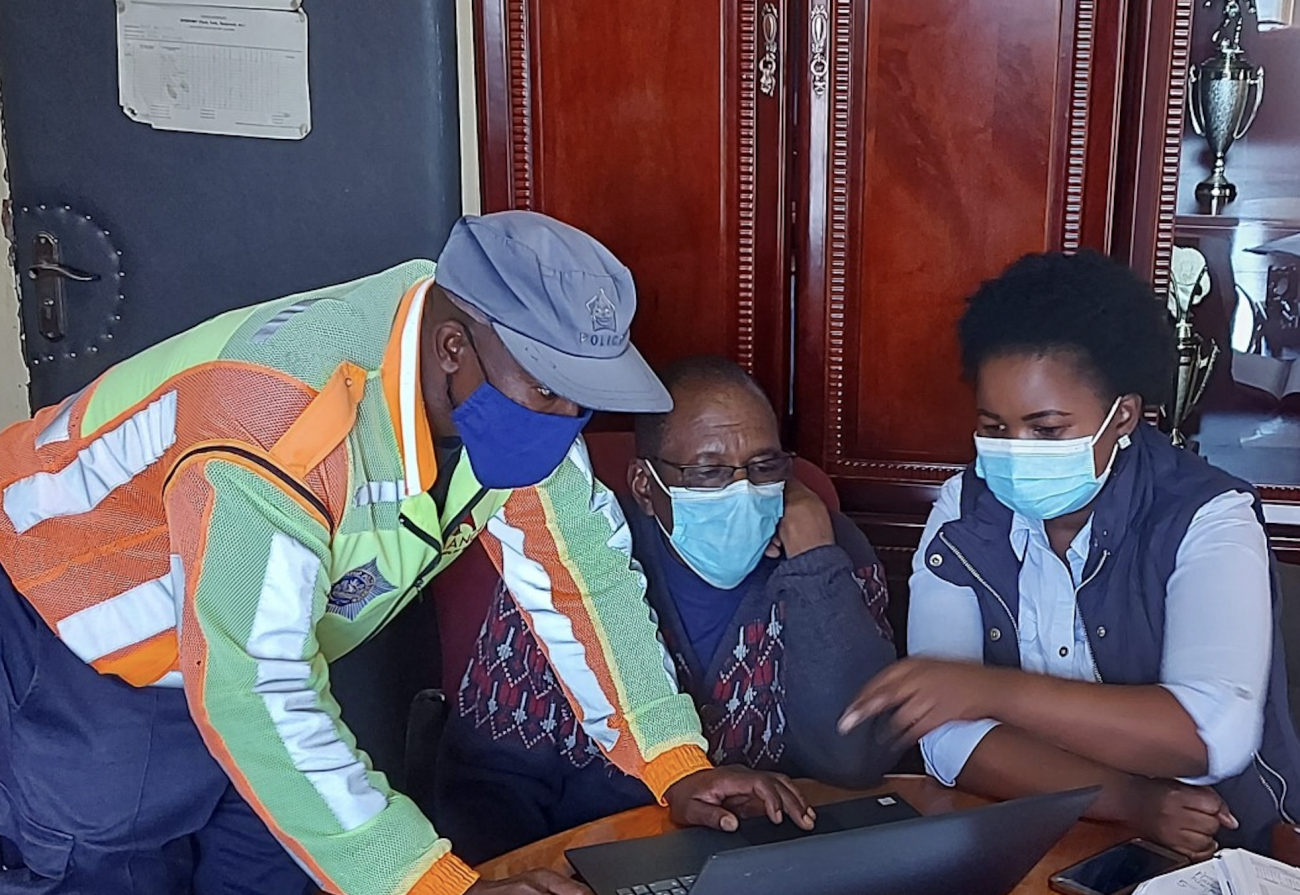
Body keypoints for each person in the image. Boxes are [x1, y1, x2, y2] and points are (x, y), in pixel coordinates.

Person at [0, 212, 813, 895]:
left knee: (283, 865)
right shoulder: (277, 419)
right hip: (81, 645)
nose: (567, 418)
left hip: (243, 657)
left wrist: (674, 763)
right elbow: (255, 687)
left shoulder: (513, 390)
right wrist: (435, 885)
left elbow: (584, 581)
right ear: (454, 349)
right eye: (551, 390)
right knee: (108, 862)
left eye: (582, 395)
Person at [840, 250, 1300, 859]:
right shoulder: (963, 511)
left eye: (1047, 428)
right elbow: (948, 741)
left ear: (1123, 417)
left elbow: (1211, 735)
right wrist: (1130, 801)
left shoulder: (1208, 517)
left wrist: (988, 690)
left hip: (1219, 844)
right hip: (1026, 830)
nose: (1013, 449)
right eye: (994, 426)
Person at [434, 356, 899, 863]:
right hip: (595, 863)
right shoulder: (567, 566)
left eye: (764, 467)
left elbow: (856, 760)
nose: (742, 491)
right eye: (709, 472)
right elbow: (488, 783)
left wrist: (814, 562)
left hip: (770, 864)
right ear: (644, 487)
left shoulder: (830, 555)